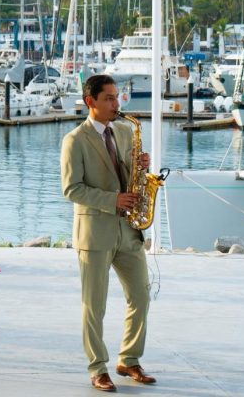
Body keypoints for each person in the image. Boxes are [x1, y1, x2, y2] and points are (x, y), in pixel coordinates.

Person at [60, 75, 155, 392]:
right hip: (95, 232)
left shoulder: (127, 131)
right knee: (94, 305)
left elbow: (127, 177)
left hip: (128, 230)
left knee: (141, 294)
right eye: (110, 98)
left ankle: (129, 359)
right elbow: (71, 189)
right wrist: (111, 201)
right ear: (91, 101)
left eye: (118, 97)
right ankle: (97, 368)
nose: (117, 104)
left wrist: (141, 167)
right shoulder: (74, 140)